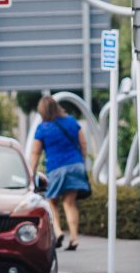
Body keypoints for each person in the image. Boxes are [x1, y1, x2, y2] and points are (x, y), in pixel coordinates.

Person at [27, 94, 93, 250]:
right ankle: (74, 238)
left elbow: (35, 153)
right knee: (69, 203)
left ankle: (58, 232)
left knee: (51, 201)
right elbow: (83, 144)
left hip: (56, 168)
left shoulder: (42, 128)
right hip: (75, 165)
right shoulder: (71, 122)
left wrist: (32, 172)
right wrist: (81, 161)